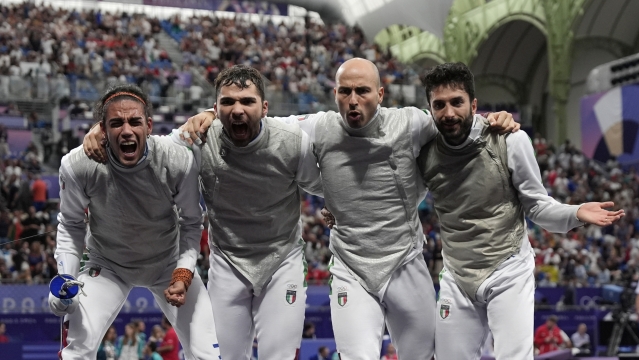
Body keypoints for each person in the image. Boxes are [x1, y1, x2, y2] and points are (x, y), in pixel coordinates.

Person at [175, 58, 517, 360]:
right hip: (351, 266)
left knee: (423, 354)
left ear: (380, 95)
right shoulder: (317, 127)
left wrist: (490, 119)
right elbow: (263, 122)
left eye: (362, 91)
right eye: (345, 91)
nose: (353, 100)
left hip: (405, 261)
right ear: (335, 93)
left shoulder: (412, 123)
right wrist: (211, 114)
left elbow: (453, 119)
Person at [83, 66, 323, 360]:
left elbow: (325, 182)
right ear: (215, 107)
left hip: (282, 261)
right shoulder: (198, 136)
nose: (237, 110)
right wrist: (102, 129)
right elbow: (149, 144)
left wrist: (337, 206)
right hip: (227, 264)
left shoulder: (291, 139)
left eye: (247, 101)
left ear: (264, 108)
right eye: (228, 102)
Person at [417, 62, 625, 360]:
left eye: (456, 102)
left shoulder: (510, 140)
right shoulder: (423, 150)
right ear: (430, 108)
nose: (448, 113)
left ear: (473, 105)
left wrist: (576, 212)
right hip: (457, 277)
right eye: (439, 105)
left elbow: (538, 206)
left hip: (508, 269)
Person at [49, 84, 219, 359]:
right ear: (102, 130)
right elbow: (70, 224)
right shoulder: (77, 164)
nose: (126, 130)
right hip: (107, 265)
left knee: (209, 354)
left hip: (168, 263)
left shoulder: (177, 160)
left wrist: (184, 272)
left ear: (149, 125)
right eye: (116, 123)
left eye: (134, 122)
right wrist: (66, 278)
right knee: (75, 352)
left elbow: (191, 223)